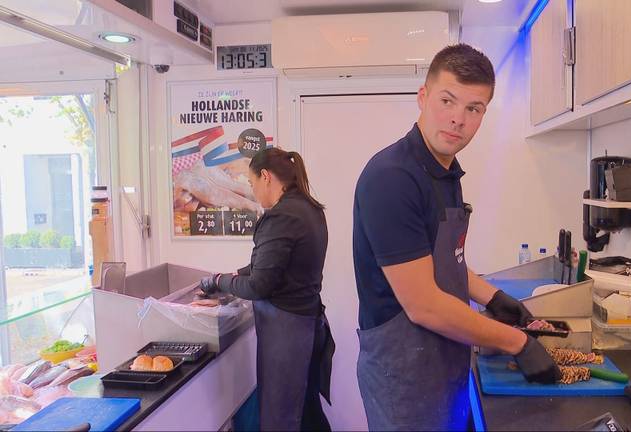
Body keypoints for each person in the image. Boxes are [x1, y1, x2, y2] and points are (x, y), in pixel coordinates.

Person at [352, 44, 561, 431]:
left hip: (441, 362)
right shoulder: (393, 178)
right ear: (423, 97)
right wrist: (517, 343)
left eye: (474, 108)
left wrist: (494, 297)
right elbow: (424, 305)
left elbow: (446, 265)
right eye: (447, 100)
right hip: (403, 375)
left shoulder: (445, 173)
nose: (457, 119)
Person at [197, 148, 335, 431]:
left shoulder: (281, 217)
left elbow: (259, 285)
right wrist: (235, 274)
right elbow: (271, 264)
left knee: (281, 419)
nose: (252, 191)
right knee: (307, 413)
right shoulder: (310, 209)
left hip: (287, 335)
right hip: (309, 325)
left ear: (265, 176)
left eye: (251, 184)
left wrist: (220, 281)